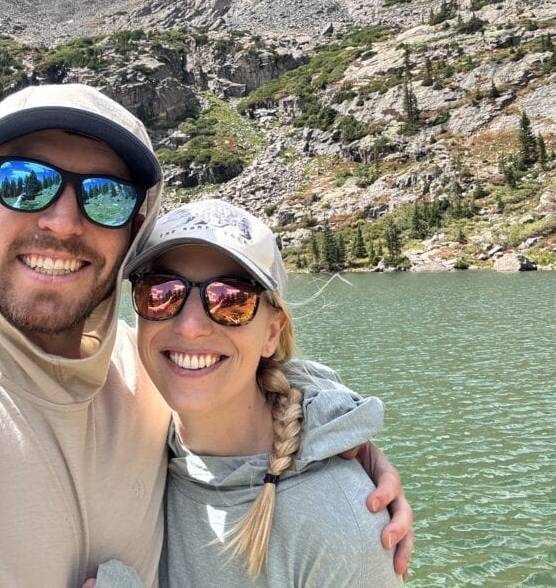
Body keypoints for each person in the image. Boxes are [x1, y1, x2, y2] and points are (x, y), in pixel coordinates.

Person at [0, 83, 412, 587]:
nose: (63, 221)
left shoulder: (148, 376)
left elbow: (234, 375)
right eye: (25, 182)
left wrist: (335, 447)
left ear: (130, 231)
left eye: (106, 196)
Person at [107, 198, 407, 587]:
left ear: (271, 332)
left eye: (231, 300)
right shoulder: (123, 409)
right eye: (161, 292)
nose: (191, 326)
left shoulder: (339, 525)